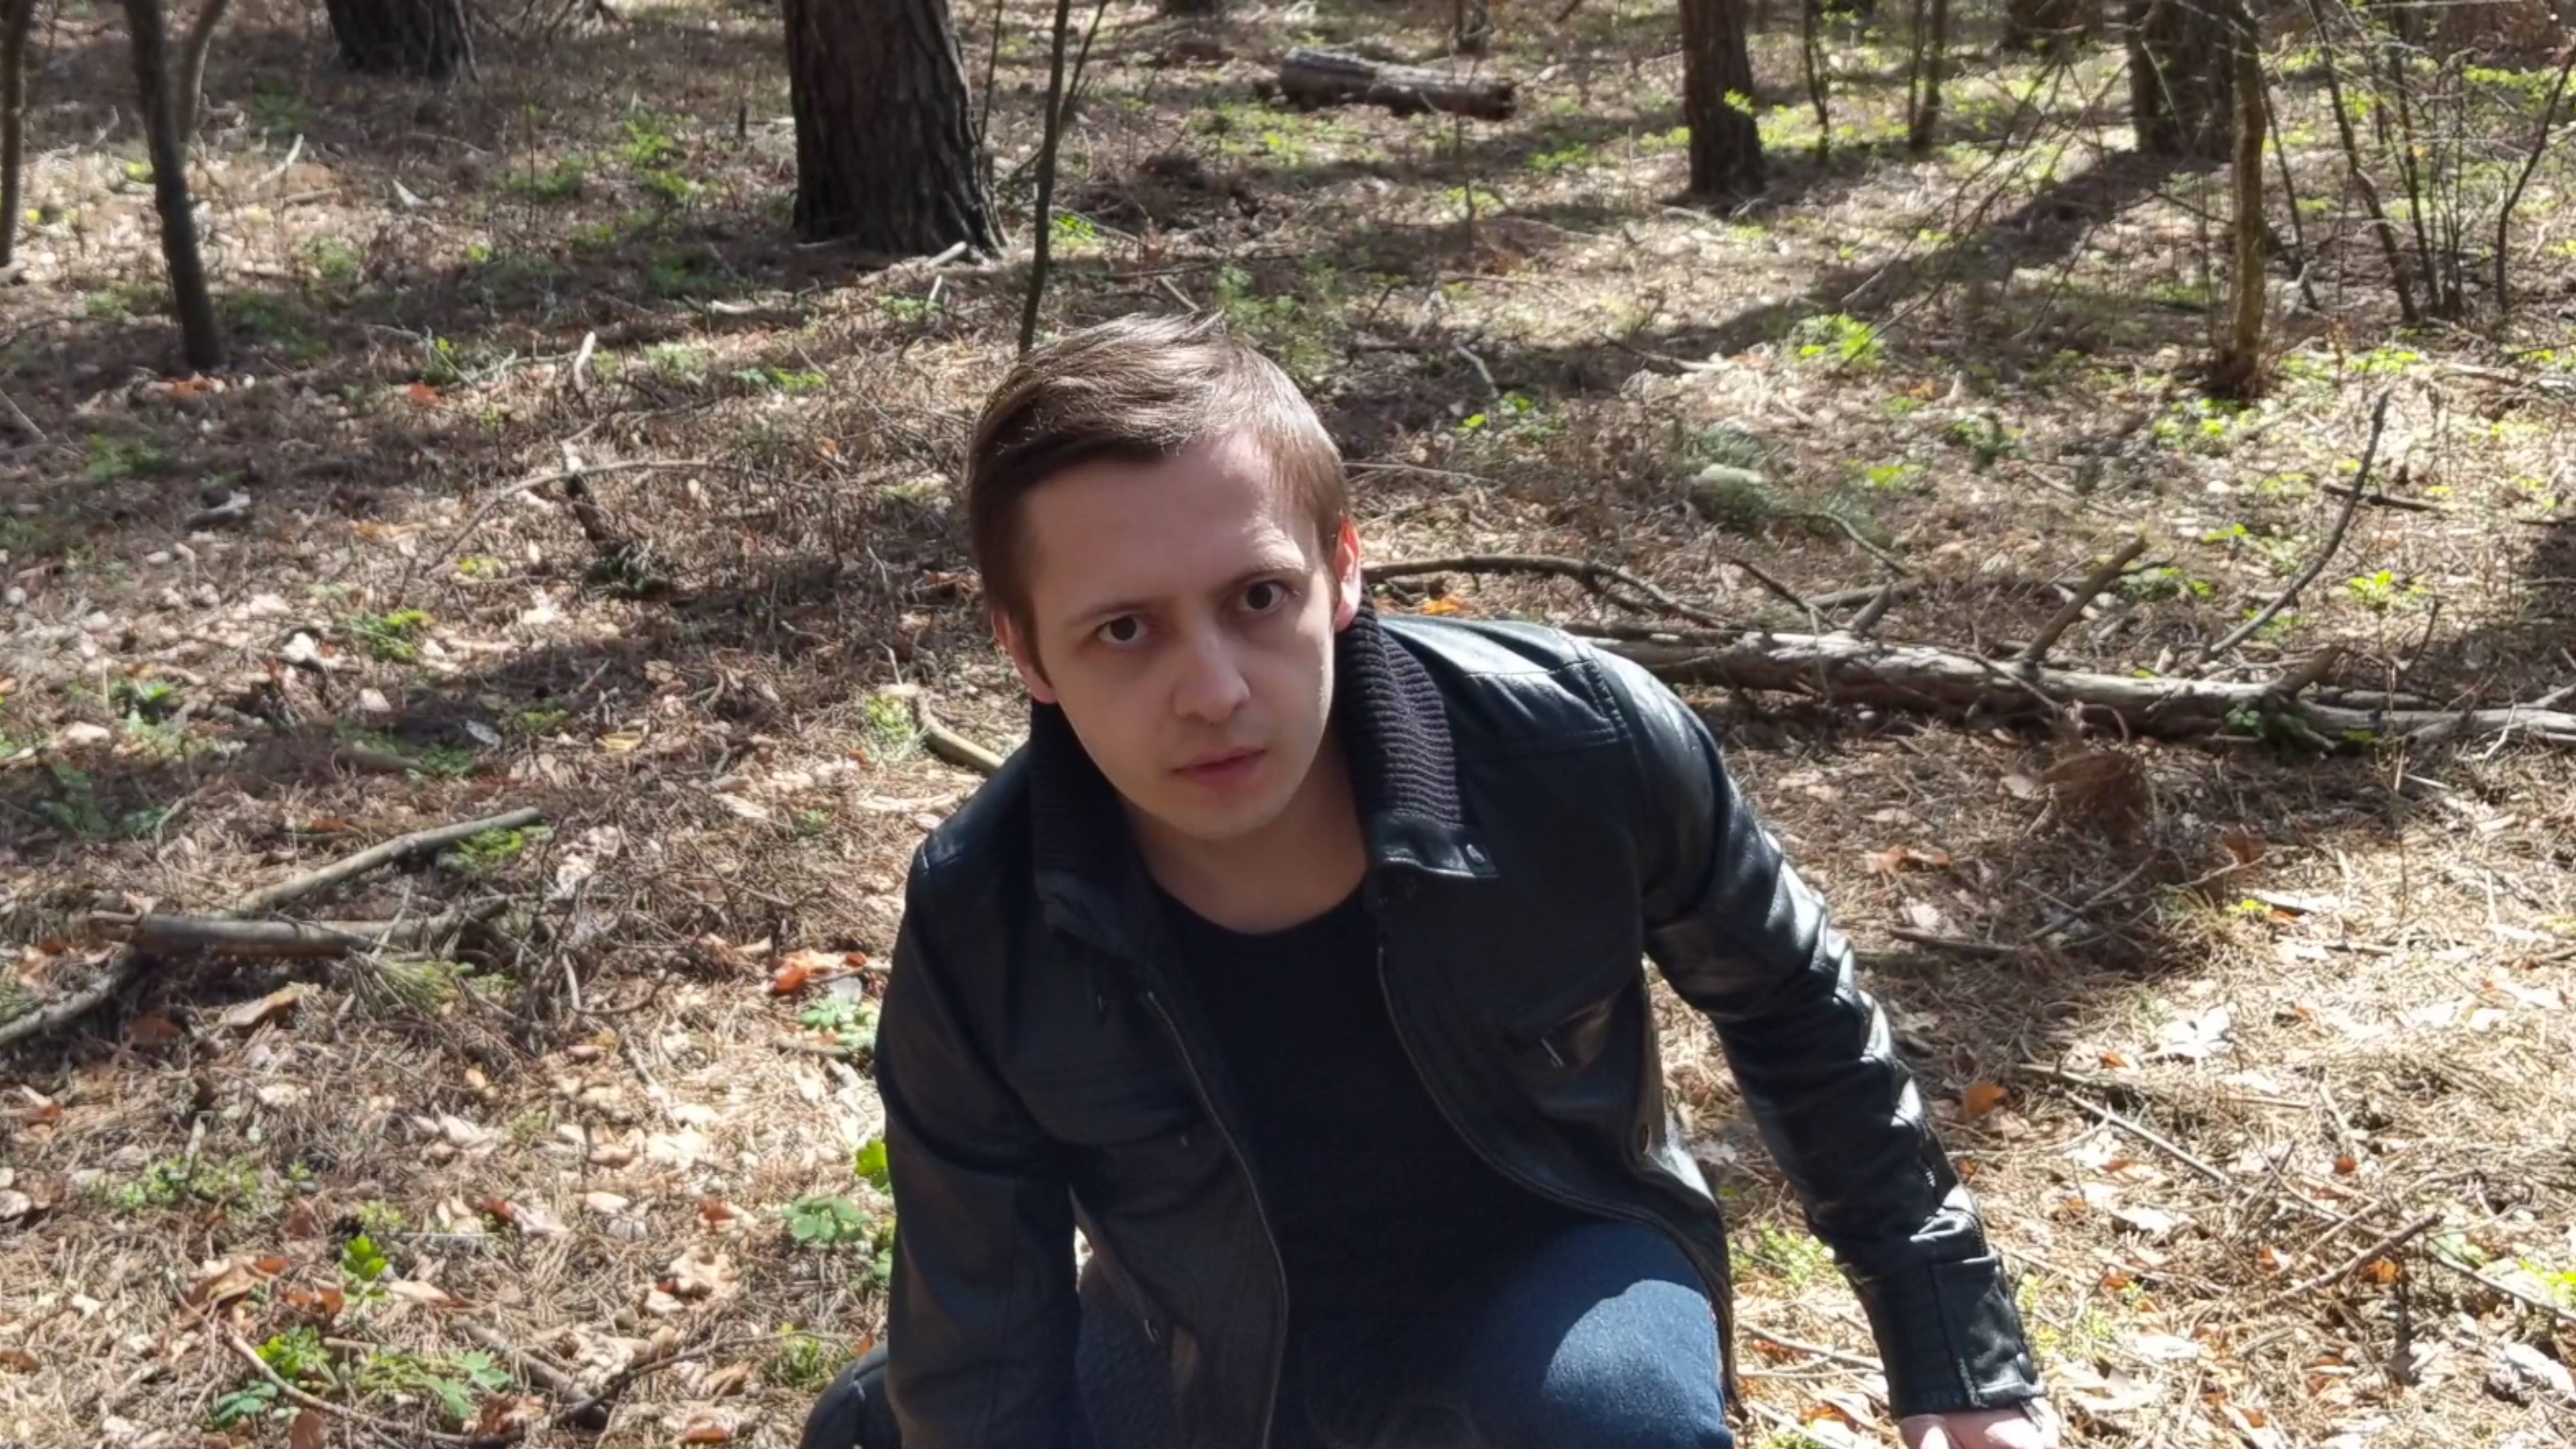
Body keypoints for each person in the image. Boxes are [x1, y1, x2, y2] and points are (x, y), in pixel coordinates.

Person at [803, 315, 2057, 1449]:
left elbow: (1796, 1006)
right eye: (1123, 630)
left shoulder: (1579, 744)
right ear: (1026, 649)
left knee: (1613, 1422)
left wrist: (1957, 1356)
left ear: (1344, 570)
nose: (1215, 691)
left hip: (1558, 1273)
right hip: (1204, 1332)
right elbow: (984, 1331)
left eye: (1259, 597)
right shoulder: (984, 914)